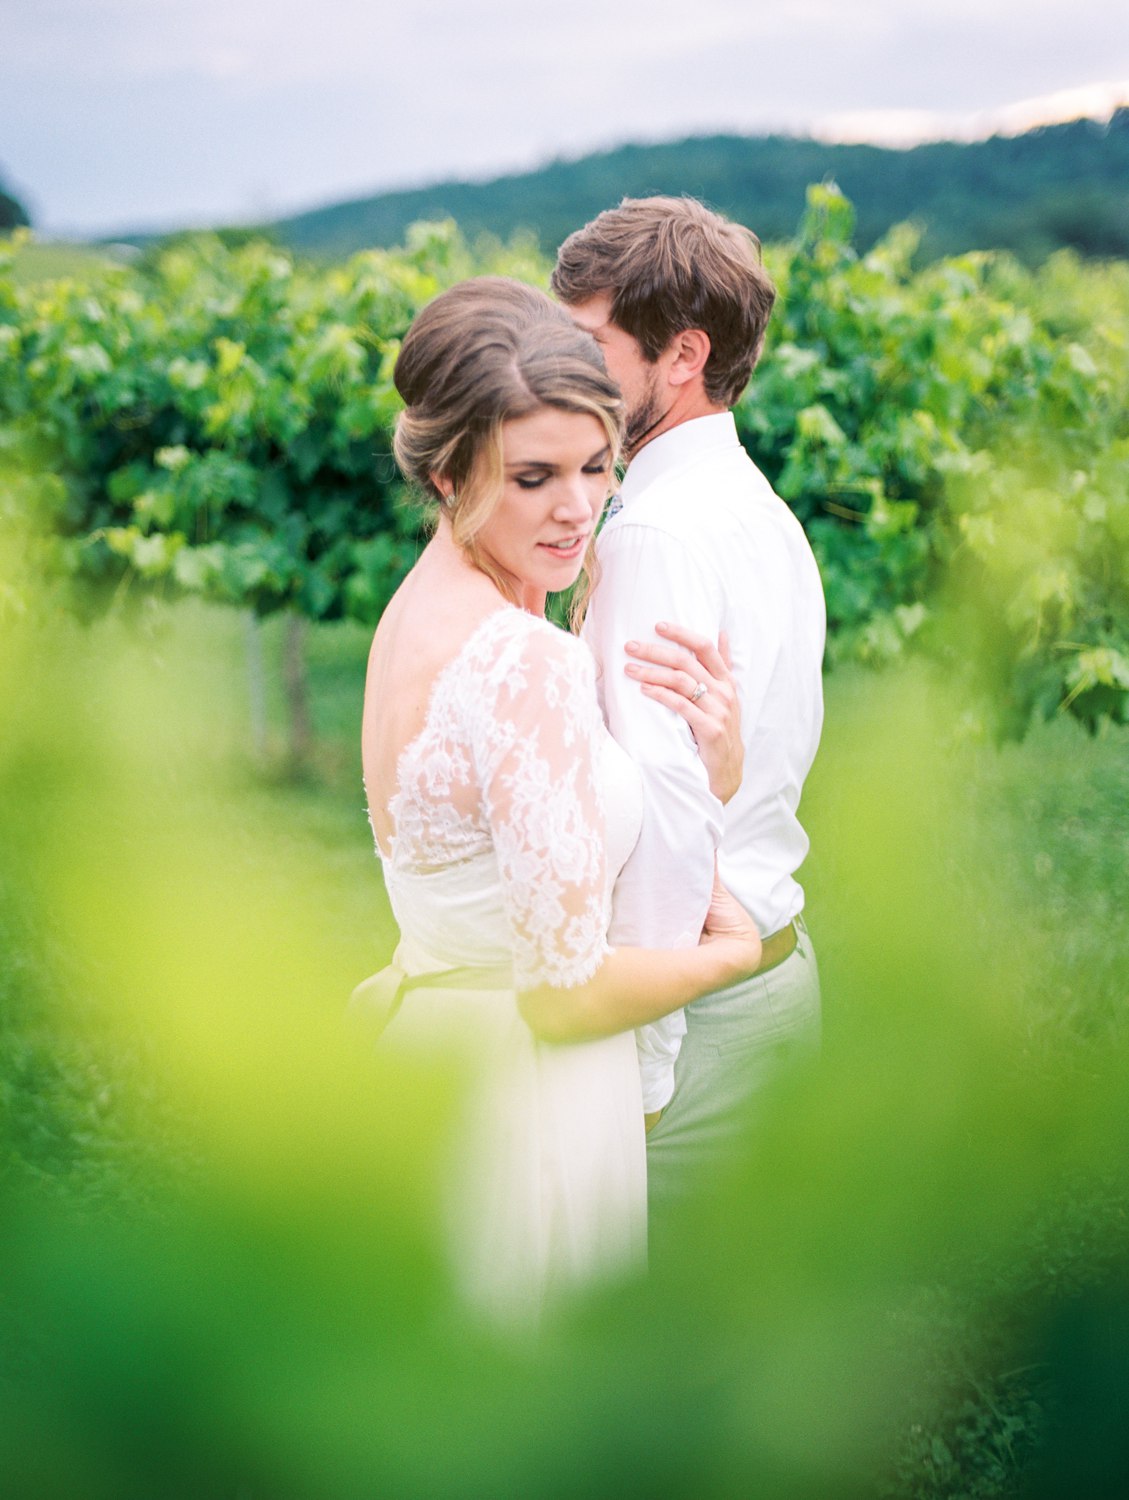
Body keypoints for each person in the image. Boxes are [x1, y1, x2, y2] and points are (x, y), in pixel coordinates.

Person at [355, 276, 762, 1324]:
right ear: (448, 473)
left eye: (594, 467)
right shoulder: (520, 660)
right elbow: (563, 990)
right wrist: (728, 956)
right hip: (524, 1093)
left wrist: (705, 774)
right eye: (533, 476)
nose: (576, 507)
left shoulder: (418, 612)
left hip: (432, 1051)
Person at [551, 196, 826, 1235]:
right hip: (771, 968)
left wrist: (642, 1075)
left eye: (586, 346)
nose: (558, 374)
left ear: (681, 355)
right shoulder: (757, 508)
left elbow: (665, 814)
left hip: (692, 1012)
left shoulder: (653, 536)